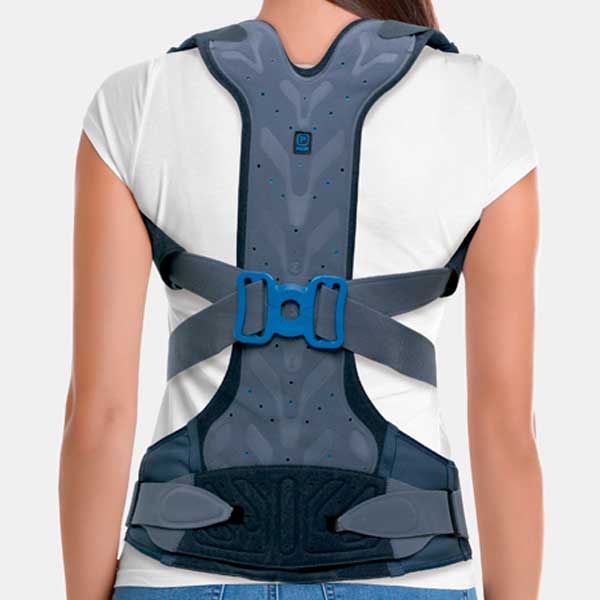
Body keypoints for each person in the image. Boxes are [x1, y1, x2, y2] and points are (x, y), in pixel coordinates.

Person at [59, 1, 543, 599]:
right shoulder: (480, 103)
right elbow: (506, 427)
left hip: (179, 564)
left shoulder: (138, 101)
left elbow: (99, 416)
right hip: (409, 569)